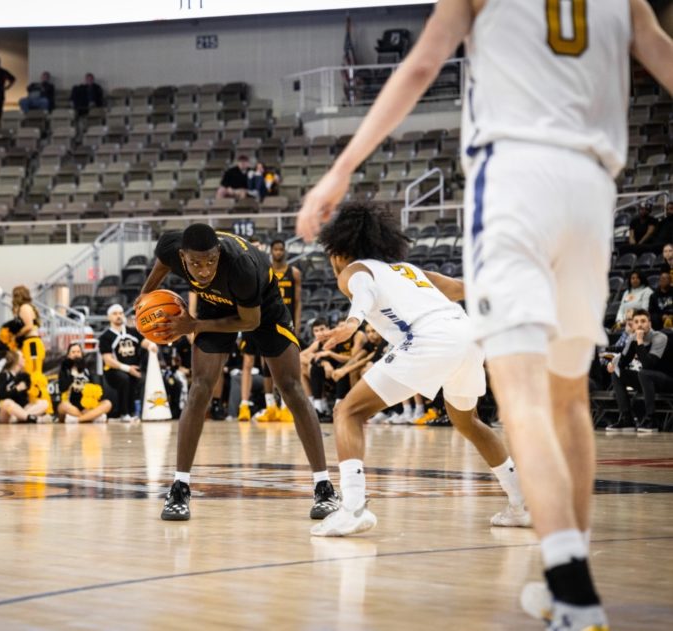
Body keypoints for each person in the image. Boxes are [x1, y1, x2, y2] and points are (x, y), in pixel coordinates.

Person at [296, 1, 672, 628]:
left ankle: (572, 593)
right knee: (556, 400)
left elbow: (419, 68)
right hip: (591, 187)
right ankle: (546, 542)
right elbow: (659, 52)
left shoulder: (360, 271)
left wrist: (339, 173)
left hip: (513, 181)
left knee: (505, 396)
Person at [306, 203, 530, 537]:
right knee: (468, 421)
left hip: (431, 337)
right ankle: (521, 503)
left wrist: (353, 322)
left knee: (347, 412)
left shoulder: (352, 270)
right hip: (466, 333)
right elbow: (458, 287)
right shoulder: (406, 270)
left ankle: (352, 508)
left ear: (338, 249)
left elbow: (363, 292)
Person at [139, 223, 337, 521]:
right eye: (195, 264)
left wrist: (193, 326)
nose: (203, 271)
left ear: (218, 253)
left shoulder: (241, 267)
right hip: (214, 307)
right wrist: (144, 299)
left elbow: (249, 322)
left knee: (291, 388)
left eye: (210, 262)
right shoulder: (171, 247)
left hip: (262, 310)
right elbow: (161, 264)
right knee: (199, 389)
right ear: (183, 256)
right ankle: (179, 487)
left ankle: (324, 486)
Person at [238, 238, 302, 422]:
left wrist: (295, 324)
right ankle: (246, 405)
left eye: (281, 249)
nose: (278, 252)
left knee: (276, 363)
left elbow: (298, 302)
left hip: (280, 321)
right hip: (255, 319)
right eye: (276, 249)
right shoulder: (261, 269)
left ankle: (283, 406)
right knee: (248, 362)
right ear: (271, 251)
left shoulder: (294, 273)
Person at [606, 308, 673, 433]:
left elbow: (648, 365)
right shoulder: (632, 338)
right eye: (636, 322)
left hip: (667, 380)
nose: (640, 324)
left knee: (644, 373)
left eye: (643, 321)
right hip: (647, 381)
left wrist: (640, 341)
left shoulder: (660, 337)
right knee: (617, 374)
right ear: (633, 325)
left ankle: (651, 419)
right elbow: (624, 361)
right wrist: (613, 364)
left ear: (650, 324)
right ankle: (626, 419)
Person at [99, 304, 156, 421]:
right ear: (109, 317)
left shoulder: (133, 332)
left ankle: (144, 412)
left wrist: (152, 345)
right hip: (113, 371)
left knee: (145, 379)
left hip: (134, 368)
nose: (118, 316)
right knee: (125, 379)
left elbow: (145, 342)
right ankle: (124, 413)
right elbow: (108, 360)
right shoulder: (105, 337)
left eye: (120, 313)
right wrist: (128, 369)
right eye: (115, 314)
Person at [58, 343, 112, 423]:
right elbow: (62, 388)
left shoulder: (87, 371)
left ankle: (79, 419)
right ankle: (91, 417)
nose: (76, 354)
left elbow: (96, 390)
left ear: (82, 354)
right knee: (63, 406)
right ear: (68, 355)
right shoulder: (65, 370)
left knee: (107, 403)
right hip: (72, 407)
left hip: (87, 408)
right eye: (73, 352)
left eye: (78, 352)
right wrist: (73, 374)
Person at [0, 350, 51, 424]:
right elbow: (1, 395)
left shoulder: (24, 376)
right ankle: (35, 419)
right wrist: (16, 389)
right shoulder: (4, 375)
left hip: (21, 409)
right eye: (23, 357)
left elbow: (24, 399)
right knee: (7, 402)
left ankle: (20, 418)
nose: (25, 360)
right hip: (7, 413)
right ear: (16, 360)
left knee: (44, 403)